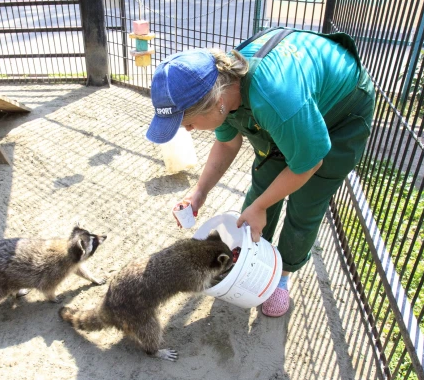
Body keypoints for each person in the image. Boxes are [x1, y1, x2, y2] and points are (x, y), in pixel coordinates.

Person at [145, 27, 376, 317]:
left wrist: (262, 205)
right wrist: (199, 192)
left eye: (188, 123)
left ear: (216, 104)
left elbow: (310, 162)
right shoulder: (224, 91)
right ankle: (254, 260)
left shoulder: (275, 99)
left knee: (307, 201)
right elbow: (227, 144)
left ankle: (282, 276)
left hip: (343, 111)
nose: (189, 130)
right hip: (292, 110)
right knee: (264, 184)